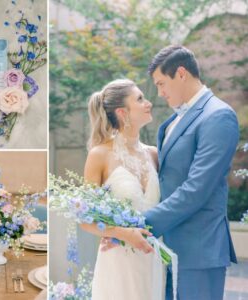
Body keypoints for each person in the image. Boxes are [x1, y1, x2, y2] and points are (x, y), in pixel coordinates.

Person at [142, 45, 239, 300]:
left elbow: (196, 189)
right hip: (166, 249)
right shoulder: (172, 122)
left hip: (199, 251)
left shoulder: (218, 116)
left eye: (162, 84)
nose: (160, 93)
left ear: (182, 73)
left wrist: (141, 222)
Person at [81, 79, 165, 300]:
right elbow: (83, 218)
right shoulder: (99, 155)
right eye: (139, 99)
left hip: (152, 258)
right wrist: (120, 233)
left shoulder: (155, 154)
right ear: (122, 112)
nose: (148, 103)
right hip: (118, 260)